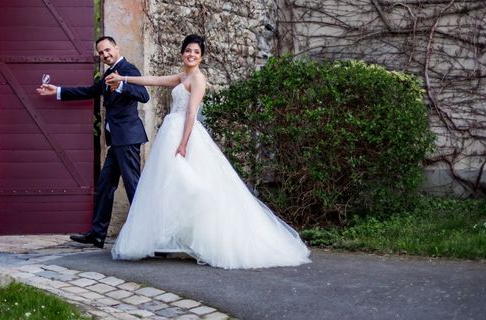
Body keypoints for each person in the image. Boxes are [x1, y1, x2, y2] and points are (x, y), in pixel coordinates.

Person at [105, 34, 311, 269]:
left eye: (196, 52)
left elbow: (191, 113)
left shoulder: (198, 79)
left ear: (201, 57)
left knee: (194, 187)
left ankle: (204, 239)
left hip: (186, 135)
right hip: (171, 133)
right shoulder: (182, 76)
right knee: (172, 186)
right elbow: (153, 79)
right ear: (182, 52)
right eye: (188, 50)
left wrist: (183, 143)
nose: (191, 55)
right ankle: (177, 239)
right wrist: (124, 78)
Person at [37, 36, 149, 248]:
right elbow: (89, 91)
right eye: (101, 53)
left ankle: (148, 236)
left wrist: (122, 84)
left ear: (116, 48)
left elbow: (144, 95)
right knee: (105, 185)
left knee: (133, 186)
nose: (105, 55)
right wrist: (57, 90)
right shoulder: (108, 73)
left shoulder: (128, 69)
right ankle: (98, 235)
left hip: (127, 138)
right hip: (116, 141)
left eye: (108, 50)